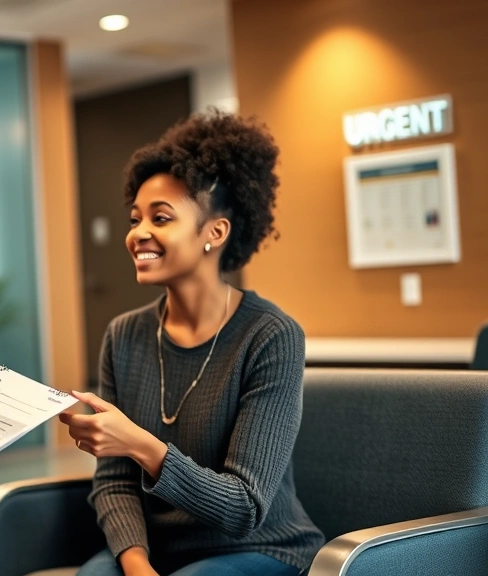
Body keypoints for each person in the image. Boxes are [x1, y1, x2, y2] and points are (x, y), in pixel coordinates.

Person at [60, 112, 324, 576]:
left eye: (160, 218)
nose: (138, 233)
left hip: (258, 549)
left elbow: (243, 508)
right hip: (158, 551)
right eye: (135, 218)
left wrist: (143, 445)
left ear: (215, 233)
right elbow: (114, 484)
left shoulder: (271, 337)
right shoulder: (124, 334)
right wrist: (137, 564)